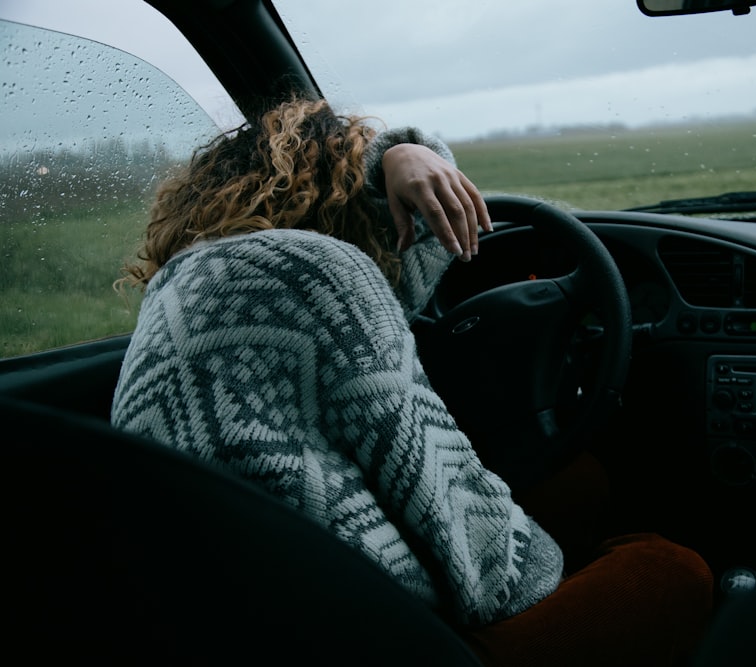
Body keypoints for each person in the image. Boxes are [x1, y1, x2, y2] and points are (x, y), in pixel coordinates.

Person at [111, 96, 713, 665]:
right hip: (366, 637)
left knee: (577, 485)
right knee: (670, 569)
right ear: (355, 198)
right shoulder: (326, 272)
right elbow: (475, 553)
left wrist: (396, 151)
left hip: (219, 618)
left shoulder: (180, 287)